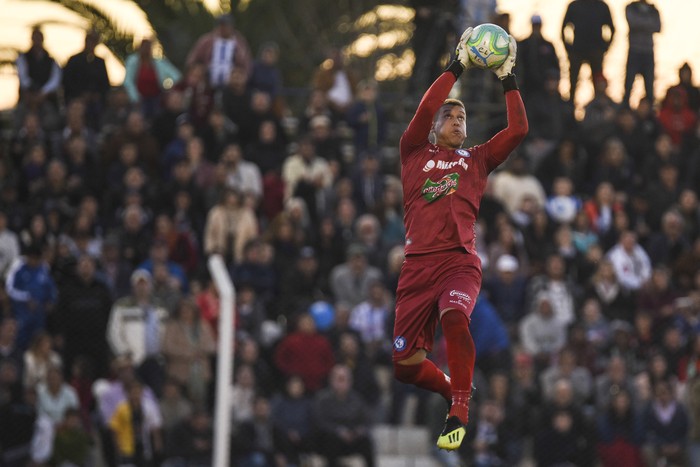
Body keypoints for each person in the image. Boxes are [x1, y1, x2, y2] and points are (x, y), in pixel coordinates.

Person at [391, 26, 526, 451]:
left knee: (455, 317)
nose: (456, 119)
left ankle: (461, 408)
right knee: (405, 365)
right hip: (417, 266)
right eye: (448, 116)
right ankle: (454, 390)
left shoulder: (478, 159)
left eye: (462, 116)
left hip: (459, 261)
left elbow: (518, 130)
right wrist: (457, 65)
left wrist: (508, 78)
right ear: (432, 128)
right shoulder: (414, 151)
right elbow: (427, 106)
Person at [561, 0, 615, 104]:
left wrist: (605, 48)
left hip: (595, 51)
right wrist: (569, 49)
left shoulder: (602, 6)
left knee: (598, 84)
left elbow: (612, 28)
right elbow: (564, 27)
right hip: (577, 51)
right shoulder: (574, 6)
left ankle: (598, 110)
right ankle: (570, 110)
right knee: (573, 84)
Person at [186, 14, 252, 89]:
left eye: (225, 26)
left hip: (232, 86)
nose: (222, 28)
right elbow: (192, 60)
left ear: (231, 27)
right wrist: (198, 71)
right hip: (207, 84)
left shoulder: (240, 43)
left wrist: (241, 78)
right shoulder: (206, 41)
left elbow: (247, 65)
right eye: (220, 25)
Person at [122, 38, 182, 118]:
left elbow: (176, 76)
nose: (146, 49)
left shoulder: (159, 63)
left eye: (148, 47)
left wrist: (167, 84)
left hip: (156, 99)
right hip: (140, 99)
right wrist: (134, 97)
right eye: (144, 47)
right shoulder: (133, 61)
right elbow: (128, 81)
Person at [623, 0, 661, 107]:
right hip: (634, 51)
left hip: (648, 53)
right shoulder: (631, 7)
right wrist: (648, 23)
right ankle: (625, 110)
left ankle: (650, 113)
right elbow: (633, 22)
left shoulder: (653, 10)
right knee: (628, 86)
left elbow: (658, 27)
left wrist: (640, 23)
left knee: (650, 87)